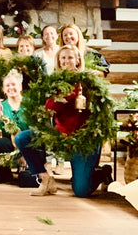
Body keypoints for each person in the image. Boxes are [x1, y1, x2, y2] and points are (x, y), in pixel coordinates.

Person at [14, 45, 113, 197]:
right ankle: (46, 180)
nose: (67, 61)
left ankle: (102, 173)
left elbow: (101, 109)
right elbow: (49, 108)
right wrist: (61, 98)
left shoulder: (89, 82)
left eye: (70, 57)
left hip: (84, 138)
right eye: (63, 58)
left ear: (78, 60)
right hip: (60, 135)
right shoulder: (54, 83)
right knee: (22, 138)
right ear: (59, 62)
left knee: (81, 191)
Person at [0, 69, 29, 183]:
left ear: (20, 87)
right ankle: (5, 171)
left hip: (27, 141)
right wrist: (0, 115)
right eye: (7, 85)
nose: (10, 88)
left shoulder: (29, 103)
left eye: (14, 84)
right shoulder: (0, 105)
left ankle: (26, 167)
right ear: (3, 90)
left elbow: (34, 128)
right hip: (8, 143)